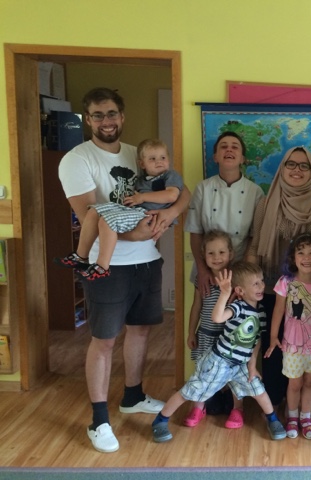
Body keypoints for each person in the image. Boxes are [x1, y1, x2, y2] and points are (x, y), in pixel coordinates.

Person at [57, 87, 191, 453]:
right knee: (103, 340)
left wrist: (168, 216)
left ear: (122, 116)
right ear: (88, 119)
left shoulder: (140, 153)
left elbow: (182, 191)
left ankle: (133, 396)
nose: (106, 121)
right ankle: (99, 419)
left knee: (140, 331)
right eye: (98, 115)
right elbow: (89, 214)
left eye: (112, 113)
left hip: (146, 261)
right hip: (108, 266)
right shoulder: (76, 160)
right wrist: (139, 232)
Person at [150, 262, 286, 443]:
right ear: (240, 290)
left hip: (240, 364)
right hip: (219, 361)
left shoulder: (260, 312)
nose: (262, 286)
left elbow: (256, 341)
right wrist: (224, 293)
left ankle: (273, 420)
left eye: (261, 281)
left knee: (258, 390)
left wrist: (252, 366)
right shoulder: (237, 306)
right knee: (190, 391)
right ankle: (160, 420)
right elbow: (217, 317)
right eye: (256, 284)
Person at [184, 131, 264, 428]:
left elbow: (255, 237)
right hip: (208, 269)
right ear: (215, 156)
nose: (229, 150)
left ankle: (236, 404)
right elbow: (195, 233)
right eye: (223, 147)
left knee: (236, 340)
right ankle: (204, 401)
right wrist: (204, 269)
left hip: (239, 274)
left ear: (243, 157)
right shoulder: (203, 189)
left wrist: (245, 276)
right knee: (210, 337)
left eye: (235, 147)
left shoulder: (255, 192)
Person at [247, 146, 311, 407]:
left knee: (303, 346)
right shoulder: (265, 203)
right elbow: (254, 246)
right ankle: (275, 403)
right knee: (274, 346)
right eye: (291, 164)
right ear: (282, 168)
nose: (297, 170)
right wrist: (251, 286)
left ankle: (296, 407)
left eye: (304, 165)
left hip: (307, 290)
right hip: (271, 287)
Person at [55, 138, 183, 280]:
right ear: (142, 164)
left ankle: (102, 266)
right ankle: (80, 256)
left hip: (147, 214)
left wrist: (144, 199)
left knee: (107, 221)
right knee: (95, 210)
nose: (159, 162)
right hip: (135, 210)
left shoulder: (170, 175)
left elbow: (172, 195)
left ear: (169, 160)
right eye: (152, 159)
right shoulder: (143, 177)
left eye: (163, 158)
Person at [264, 233, 311, 440]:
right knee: (294, 383)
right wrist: (273, 337)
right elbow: (278, 310)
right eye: (301, 252)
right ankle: (292, 417)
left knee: (310, 381)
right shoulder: (286, 282)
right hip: (293, 345)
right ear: (293, 257)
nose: (306, 257)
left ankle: (306, 417)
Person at [183, 230, 234, 428]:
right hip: (206, 335)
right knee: (203, 372)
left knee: (229, 372)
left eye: (221, 252)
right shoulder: (201, 279)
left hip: (227, 338)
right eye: (211, 253)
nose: (216, 257)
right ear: (203, 256)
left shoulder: (234, 278)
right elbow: (196, 306)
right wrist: (191, 332)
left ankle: (230, 400)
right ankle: (198, 407)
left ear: (230, 254)